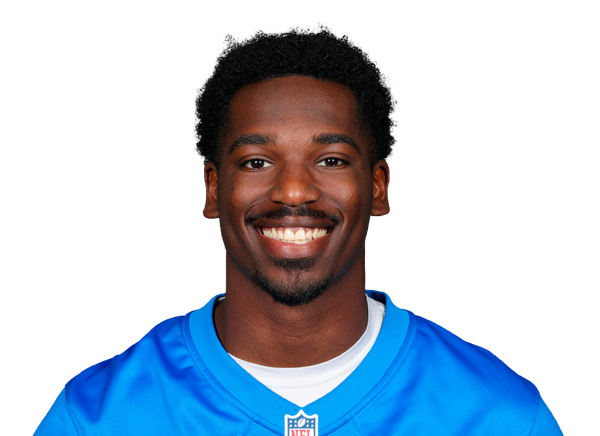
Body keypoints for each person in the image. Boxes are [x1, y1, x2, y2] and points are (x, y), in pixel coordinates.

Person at [34, 23, 562, 435]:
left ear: (377, 187)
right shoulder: (94, 418)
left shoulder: (503, 417)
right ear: (213, 189)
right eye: (257, 162)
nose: (292, 191)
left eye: (331, 160)